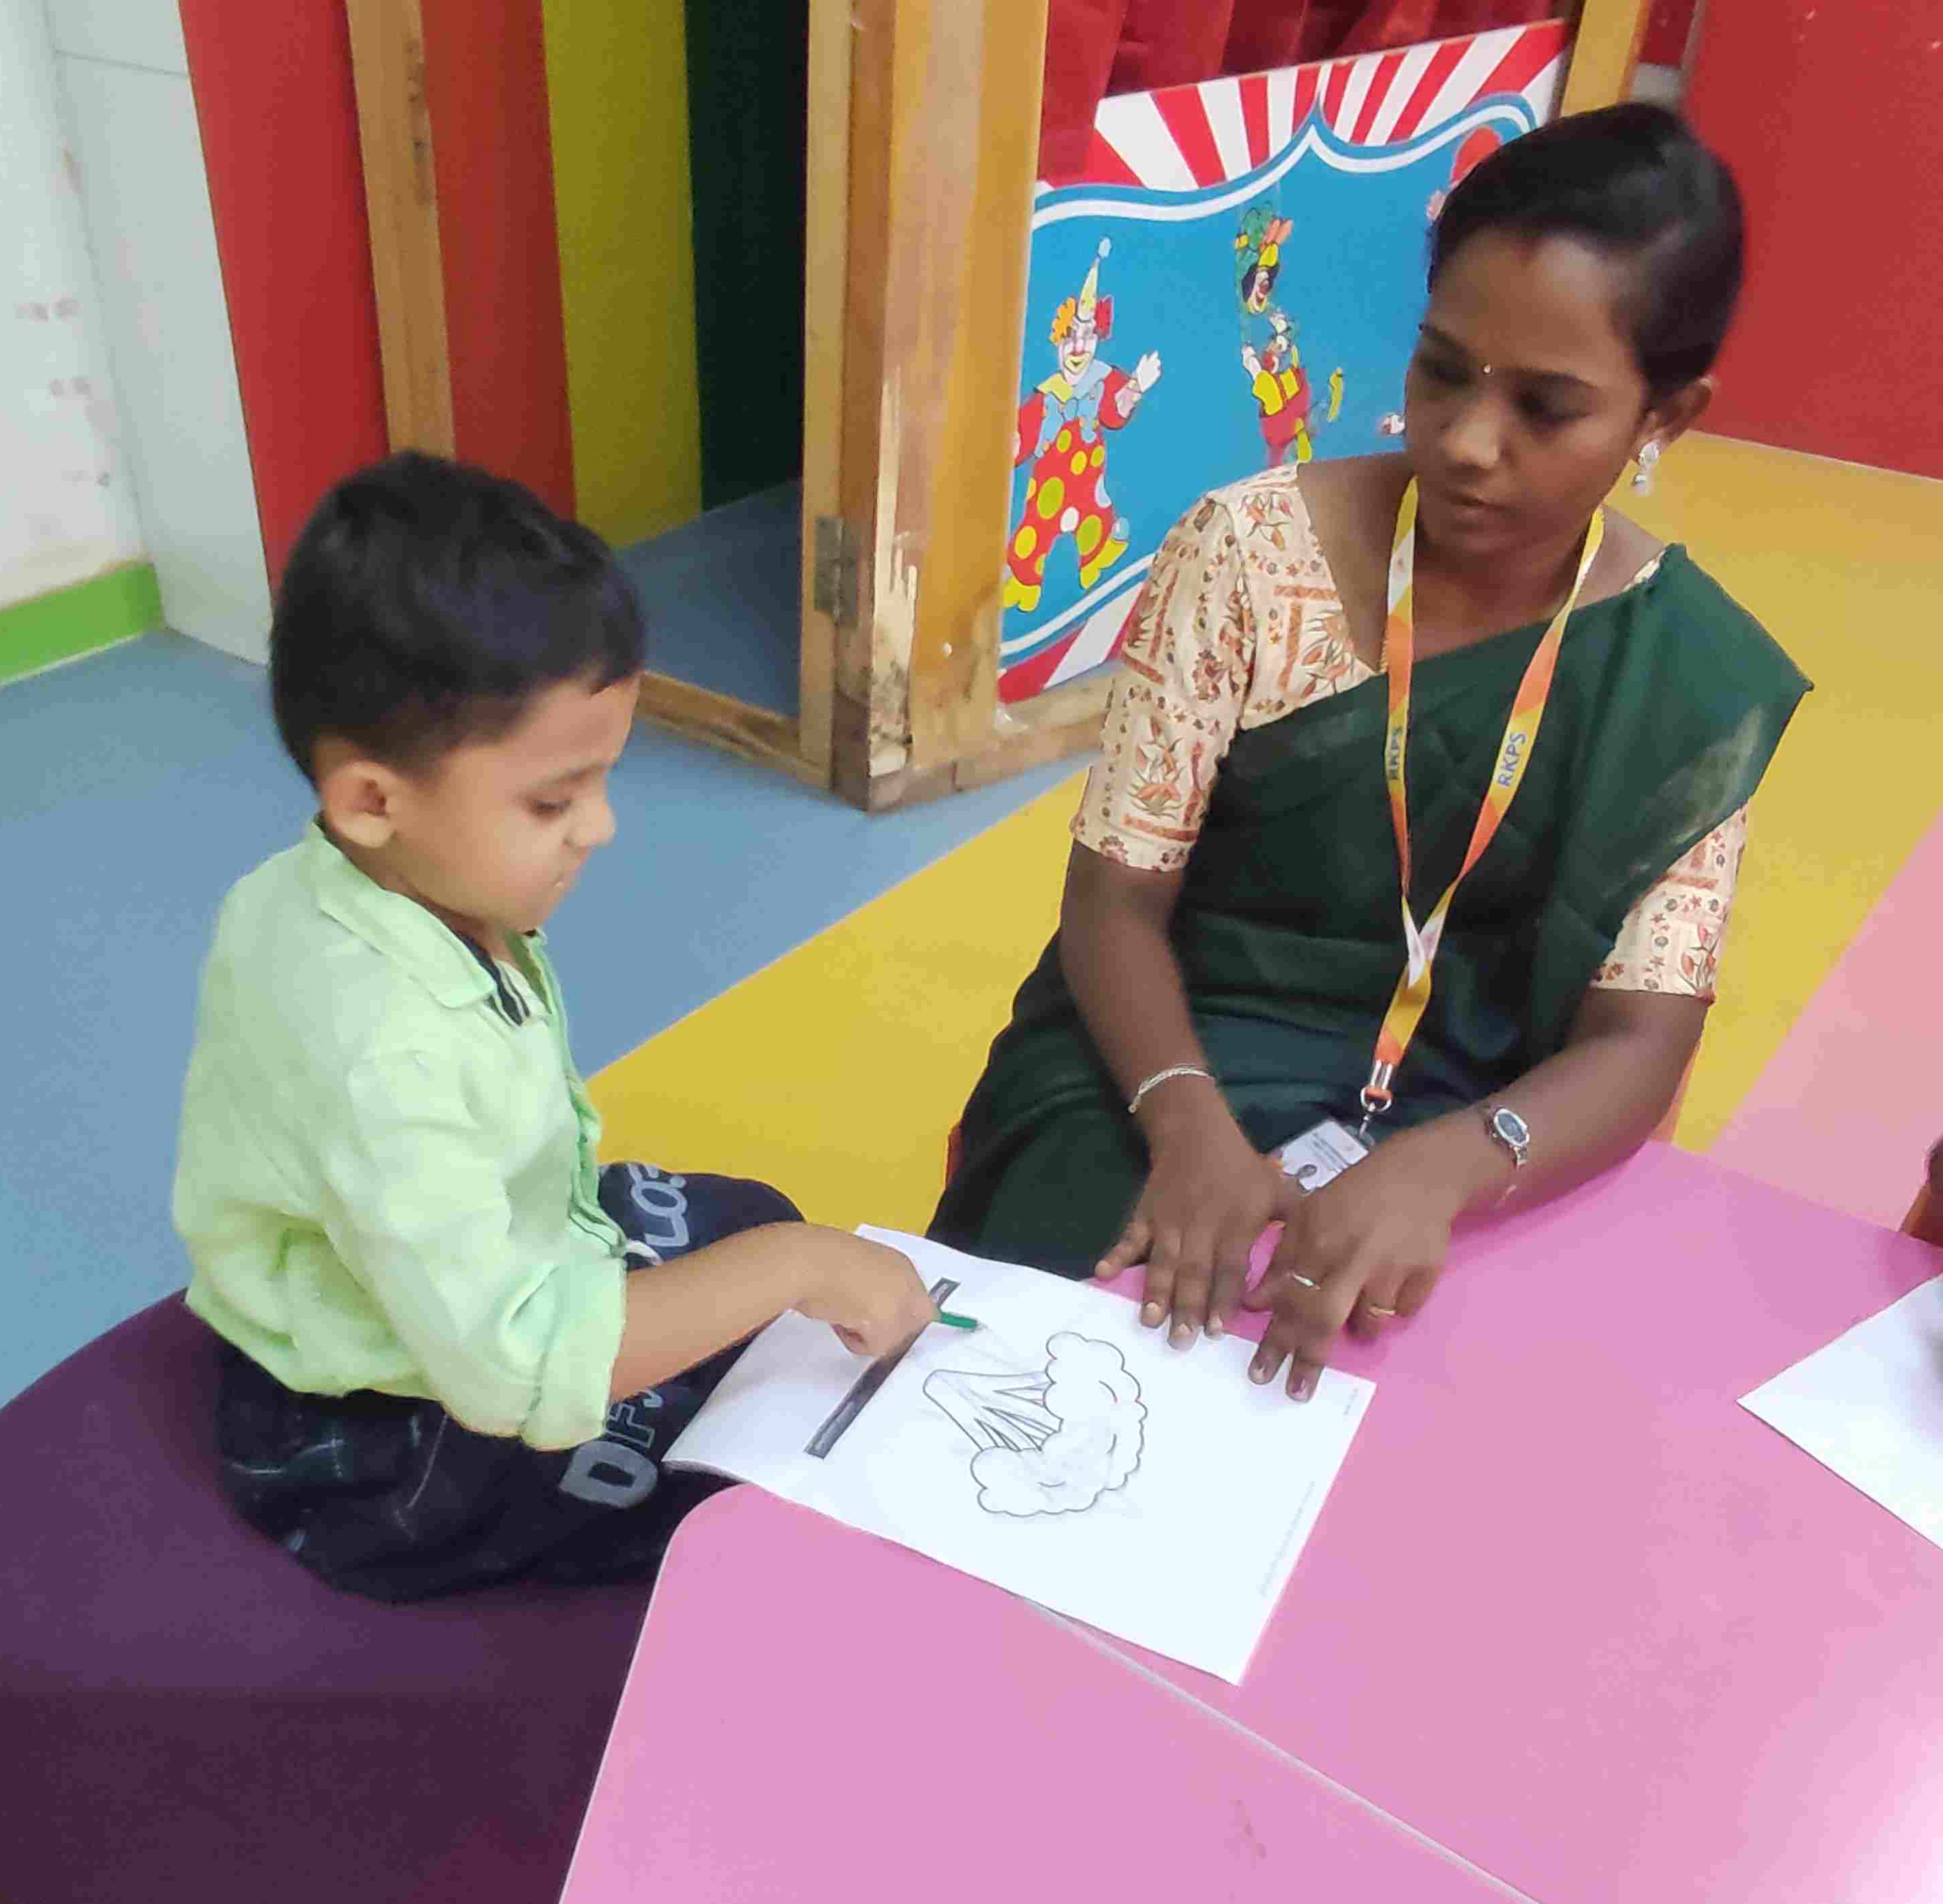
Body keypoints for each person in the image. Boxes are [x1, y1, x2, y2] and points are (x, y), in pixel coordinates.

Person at [932, 105, 1808, 1401]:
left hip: (1473, 1107)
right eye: (1442, 371)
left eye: (1545, 407)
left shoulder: (1690, 679)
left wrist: (1450, 1167)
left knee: (1465, 1421)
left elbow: (1640, 1039)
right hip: (1161, 1054)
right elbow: (1114, 902)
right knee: (1040, 1370)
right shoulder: (1246, 554)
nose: (1464, 440)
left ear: (1665, 416)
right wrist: (1187, 1124)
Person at [174, 454, 935, 1599]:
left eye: (601, 781)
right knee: (731, 1481)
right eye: (553, 800)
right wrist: (796, 1268)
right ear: (372, 801)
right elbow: (518, 1373)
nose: (602, 828)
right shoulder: (382, 1052)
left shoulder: (362, 879)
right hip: (376, 1435)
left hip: (478, 1255)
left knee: (755, 1226)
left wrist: (780, 1261)